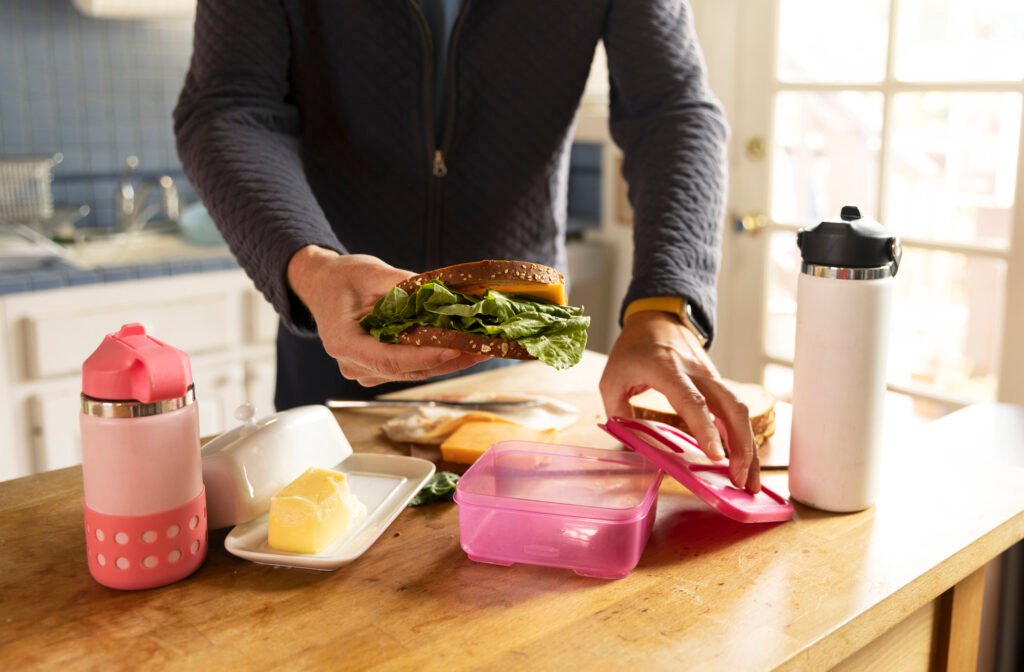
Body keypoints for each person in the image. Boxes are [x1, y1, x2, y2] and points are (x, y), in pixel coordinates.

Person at [174, 0, 760, 493]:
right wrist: (311, 264)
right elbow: (227, 108)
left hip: (521, 360)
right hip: (333, 344)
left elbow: (672, 110)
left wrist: (664, 306)